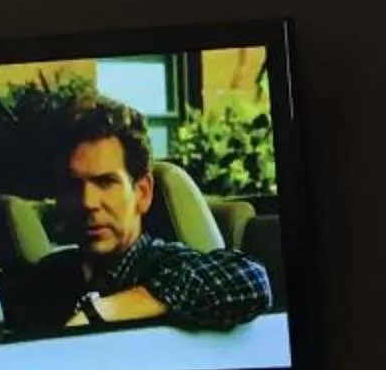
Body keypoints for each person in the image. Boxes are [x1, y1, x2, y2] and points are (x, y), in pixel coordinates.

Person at [14, 102, 273, 334]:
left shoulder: (165, 263)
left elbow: (250, 279)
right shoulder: (50, 276)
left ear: (142, 193)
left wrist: (102, 311)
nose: (87, 202)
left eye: (105, 182)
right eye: (73, 186)